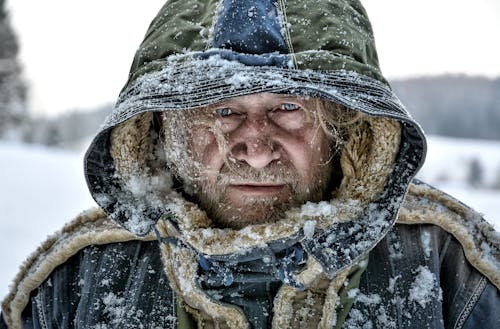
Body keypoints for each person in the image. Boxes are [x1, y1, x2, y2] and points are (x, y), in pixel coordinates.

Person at [2, 0, 499, 328]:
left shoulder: (453, 270)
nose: (257, 150)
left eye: (288, 108)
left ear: (345, 125)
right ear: (164, 128)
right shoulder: (74, 282)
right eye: (222, 110)